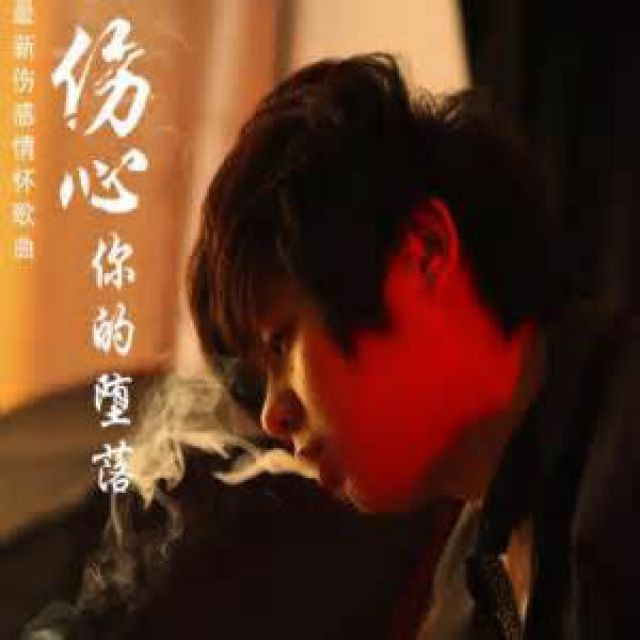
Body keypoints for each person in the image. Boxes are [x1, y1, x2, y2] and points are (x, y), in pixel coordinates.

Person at [187, 53, 640, 638]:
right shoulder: (468, 581)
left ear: (423, 251)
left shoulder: (624, 457)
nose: (273, 416)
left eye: (280, 345)